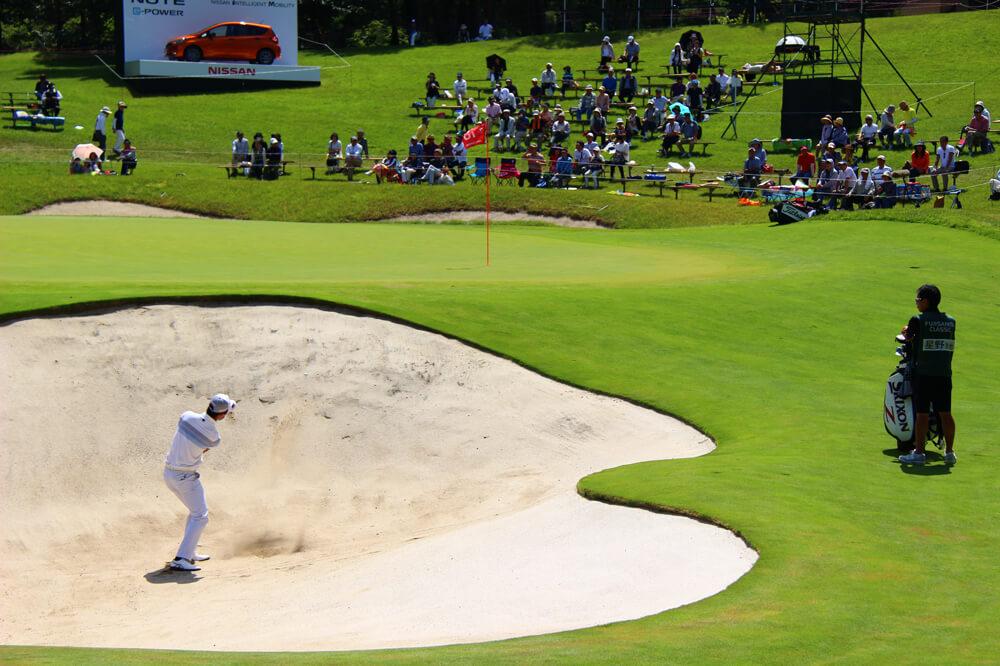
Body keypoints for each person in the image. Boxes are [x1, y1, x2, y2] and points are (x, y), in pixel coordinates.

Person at [163, 394, 237, 571]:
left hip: (169, 474)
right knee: (201, 516)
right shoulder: (214, 437)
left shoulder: (186, 416)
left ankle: (189, 552)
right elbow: (204, 448)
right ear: (222, 415)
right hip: (185, 478)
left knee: (195, 512)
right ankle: (181, 558)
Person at [898, 285, 957, 465]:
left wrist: (906, 330)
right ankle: (949, 453)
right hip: (944, 374)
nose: (916, 303)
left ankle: (919, 453)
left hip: (923, 374)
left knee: (922, 414)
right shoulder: (950, 321)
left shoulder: (918, 319)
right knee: (945, 413)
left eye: (917, 300)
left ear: (925, 301)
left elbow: (908, 337)